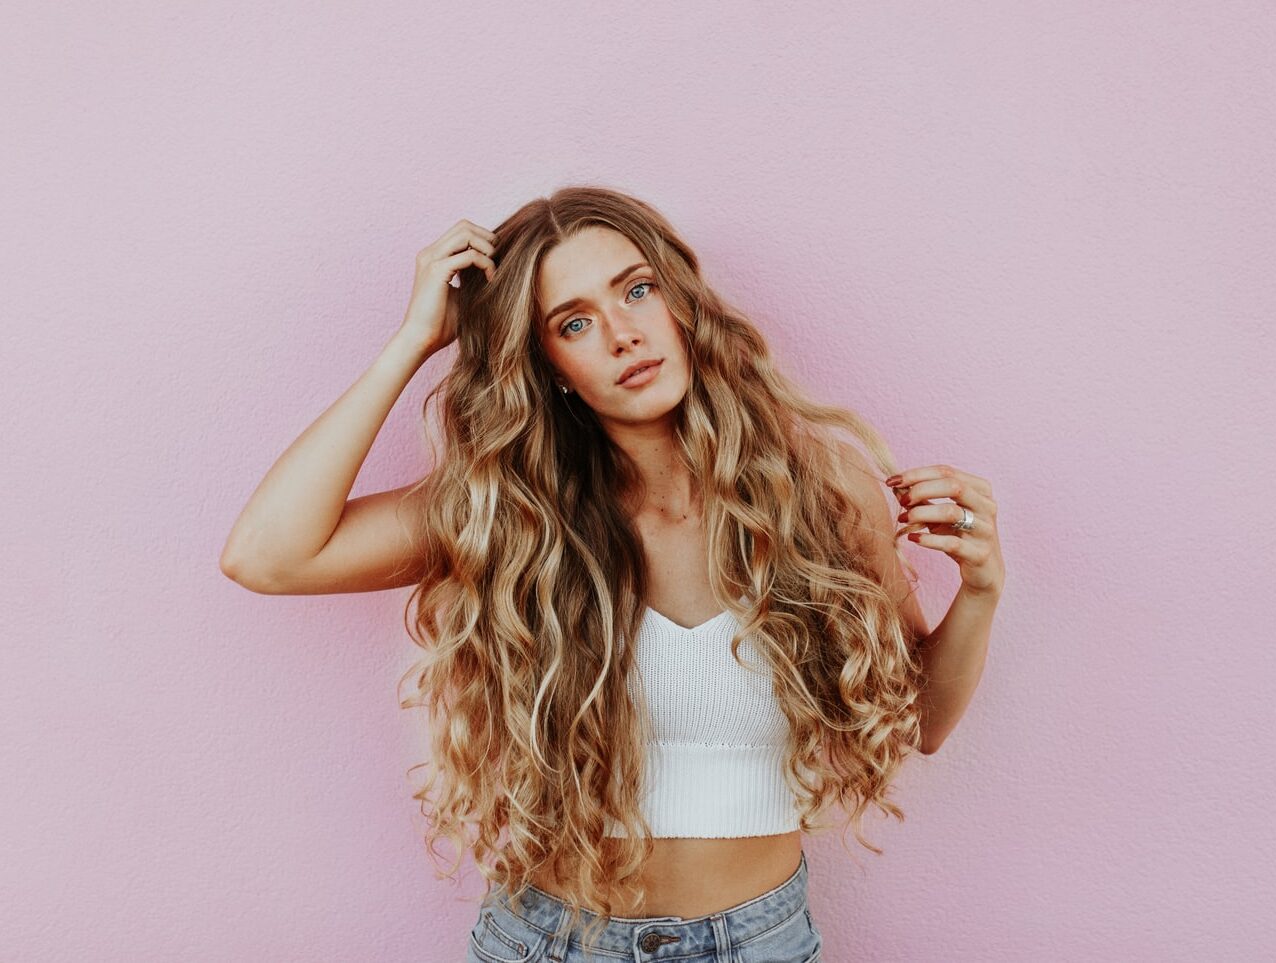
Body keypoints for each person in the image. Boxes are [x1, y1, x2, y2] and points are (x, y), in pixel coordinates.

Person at [220, 185, 1005, 962]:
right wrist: (416, 339)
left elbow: (921, 723)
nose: (624, 334)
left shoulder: (820, 491)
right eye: (575, 322)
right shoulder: (513, 514)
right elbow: (268, 554)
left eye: (637, 290)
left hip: (757, 942)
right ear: (549, 365)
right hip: (552, 941)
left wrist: (979, 590)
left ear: (682, 302)